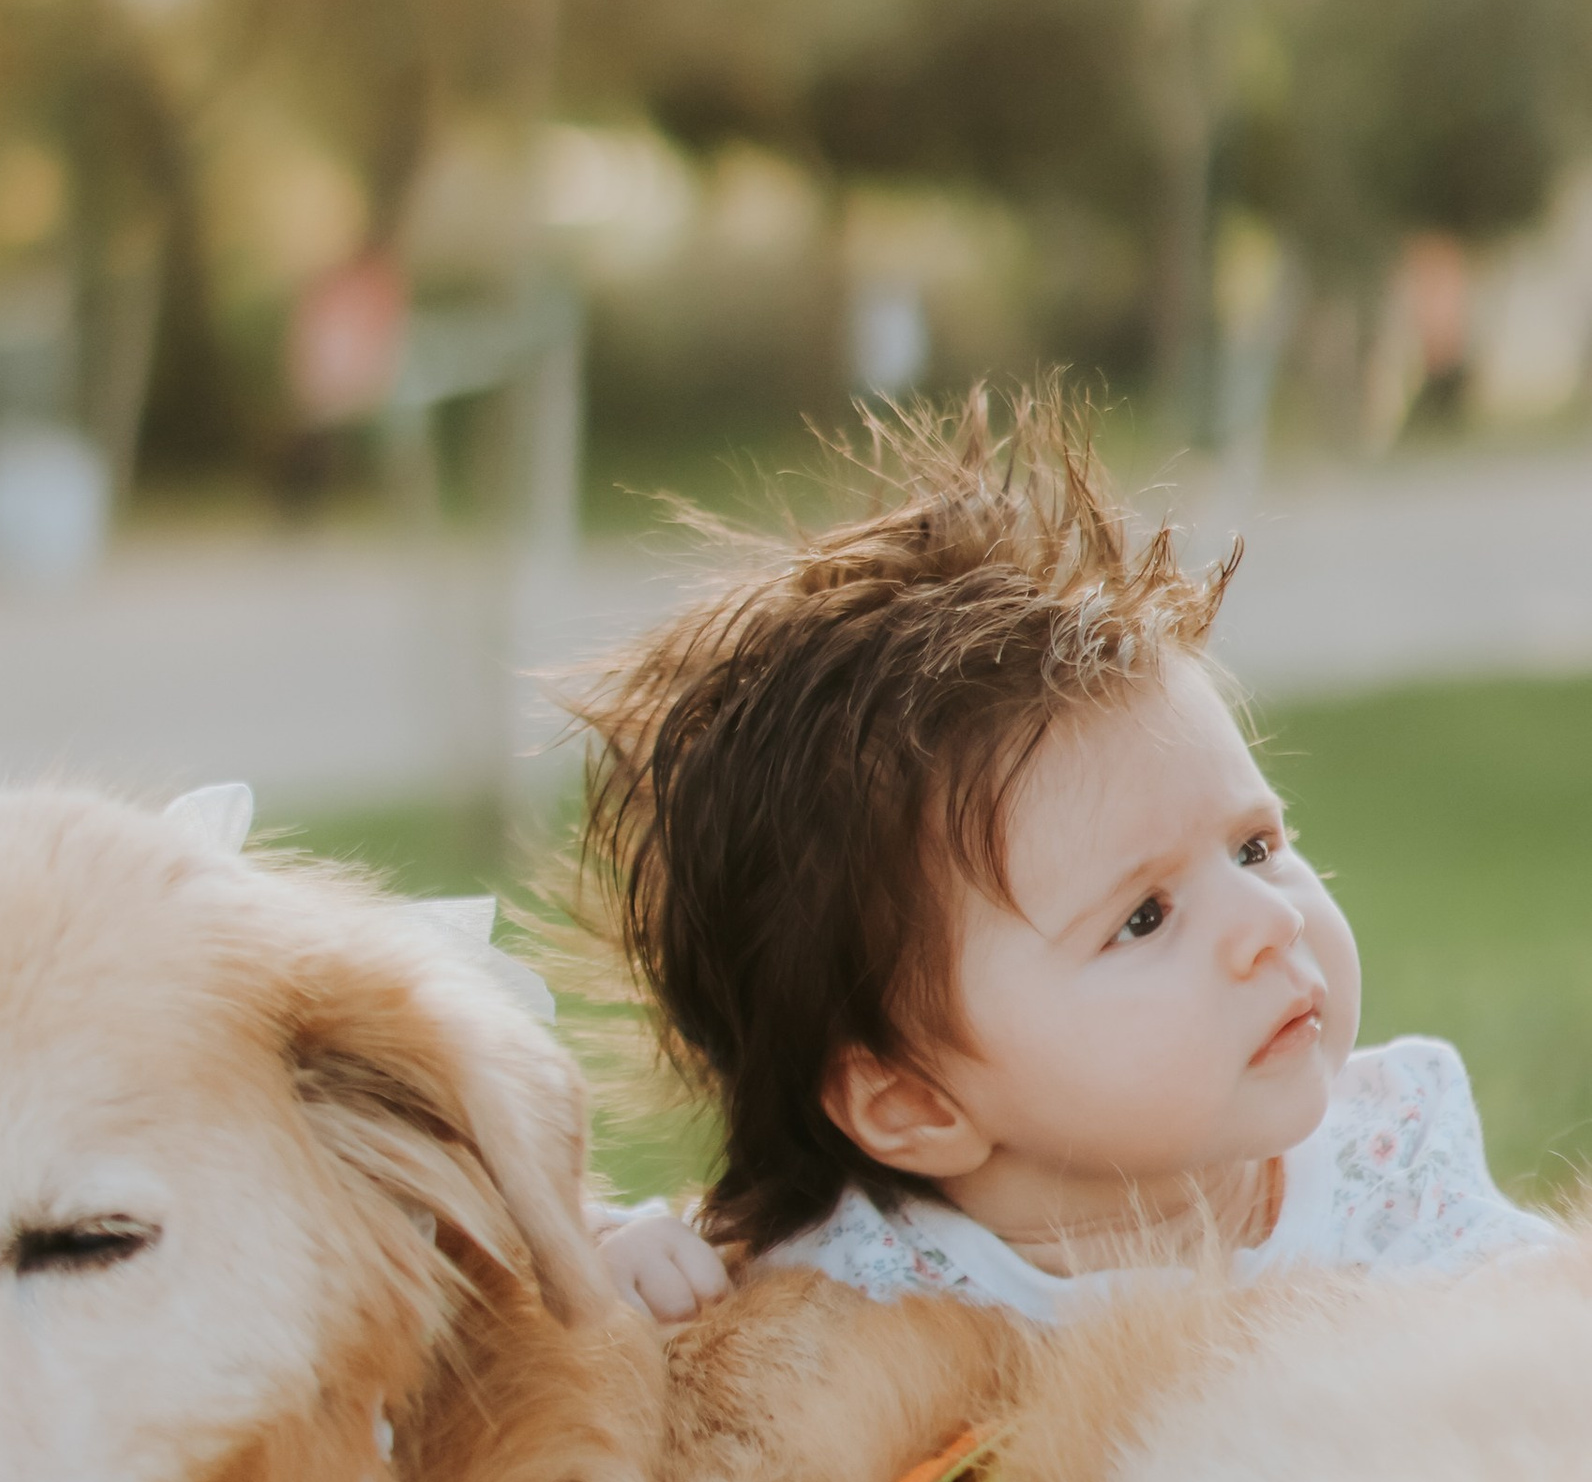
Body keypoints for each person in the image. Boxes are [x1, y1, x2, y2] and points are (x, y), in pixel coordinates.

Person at [576, 398, 1553, 1329]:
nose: (1270, 920)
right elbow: (660, 1323)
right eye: (1144, 917)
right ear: (912, 1101)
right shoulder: (863, 1285)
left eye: (1254, 847)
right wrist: (617, 1259)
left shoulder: (1388, 1176)